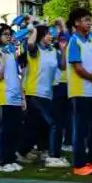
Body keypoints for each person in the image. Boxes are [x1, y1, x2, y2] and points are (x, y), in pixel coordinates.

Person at [66, 8, 92, 176]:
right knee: (81, 129)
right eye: (85, 20)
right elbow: (78, 68)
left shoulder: (90, 41)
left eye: (89, 20)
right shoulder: (74, 42)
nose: (89, 22)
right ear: (76, 23)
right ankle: (79, 164)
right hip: (80, 92)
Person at [20, 24, 69, 168]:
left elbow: (63, 66)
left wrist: (64, 49)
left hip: (47, 93)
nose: (51, 36)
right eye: (47, 33)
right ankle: (53, 156)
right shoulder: (34, 51)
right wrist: (34, 29)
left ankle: (21, 151)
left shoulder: (53, 51)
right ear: (41, 35)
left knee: (36, 125)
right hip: (34, 92)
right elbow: (30, 43)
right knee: (55, 122)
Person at [0, 23, 24, 172]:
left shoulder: (11, 53)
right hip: (3, 96)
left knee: (14, 130)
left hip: (15, 95)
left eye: (10, 34)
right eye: (5, 34)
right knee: (4, 130)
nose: (9, 37)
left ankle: (11, 158)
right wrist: (2, 60)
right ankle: (2, 162)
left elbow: (17, 74)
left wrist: (22, 96)